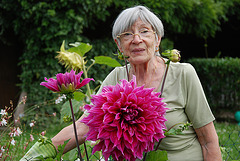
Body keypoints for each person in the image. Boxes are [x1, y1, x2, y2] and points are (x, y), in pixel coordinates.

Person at [25, 5, 222, 161]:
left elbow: (208, 141)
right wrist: (37, 154)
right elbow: (84, 127)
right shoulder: (116, 77)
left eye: (145, 31)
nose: (136, 39)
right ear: (119, 45)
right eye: (127, 35)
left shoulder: (183, 74)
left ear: (158, 39)